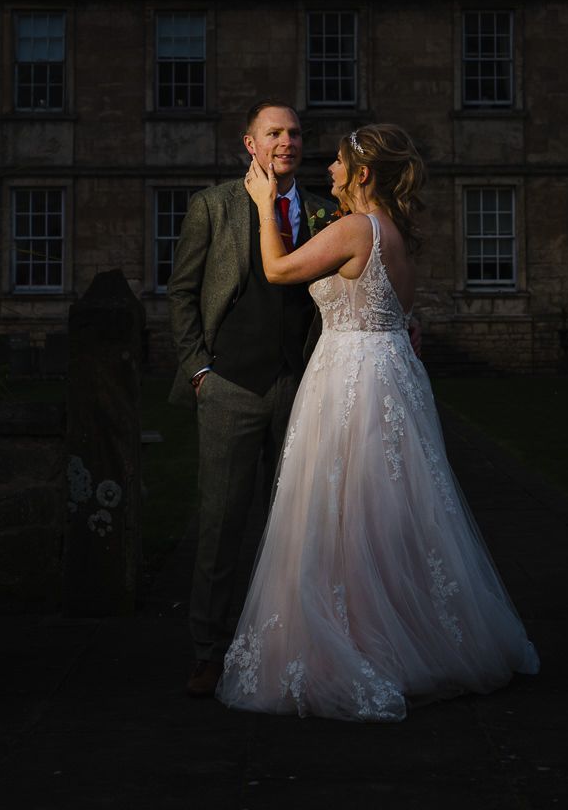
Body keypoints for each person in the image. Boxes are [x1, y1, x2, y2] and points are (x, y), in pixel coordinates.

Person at [216, 123, 538, 721]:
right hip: (389, 371)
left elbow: (279, 271)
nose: (329, 172)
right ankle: (403, 633)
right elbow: (399, 313)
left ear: (362, 174)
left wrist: (264, 205)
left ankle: (359, 641)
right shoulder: (397, 237)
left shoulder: (355, 228)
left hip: (350, 375)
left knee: (346, 508)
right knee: (390, 510)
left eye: (337, 164)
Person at [168, 102, 333, 698]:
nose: (286, 141)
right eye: (274, 133)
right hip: (230, 388)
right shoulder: (214, 206)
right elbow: (181, 292)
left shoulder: (323, 210)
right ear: (250, 144)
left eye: (294, 132)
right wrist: (198, 372)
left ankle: (281, 646)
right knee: (219, 527)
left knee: (291, 527)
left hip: (299, 386)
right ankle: (209, 652)